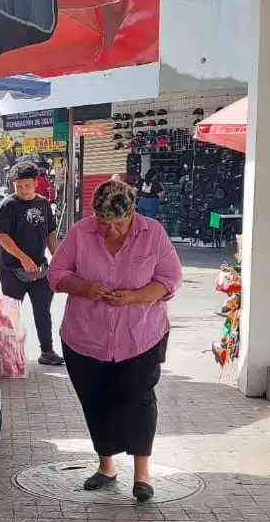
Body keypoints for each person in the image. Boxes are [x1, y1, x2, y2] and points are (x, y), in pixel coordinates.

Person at [47, 179, 183, 502]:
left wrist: (135, 297)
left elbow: (169, 280)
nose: (111, 231)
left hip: (140, 337)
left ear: (133, 213)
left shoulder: (153, 235)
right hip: (85, 338)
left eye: (119, 223)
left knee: (138, 399)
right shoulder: (81, 233)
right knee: (96, 401)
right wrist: (84, 288)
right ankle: (106, 467)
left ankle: (142, 475)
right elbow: (56, 273)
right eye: (105, 223)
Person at [0, 160, 63, 366]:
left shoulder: (43, 203)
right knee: (10, 314)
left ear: (35, 183)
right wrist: (23, 258)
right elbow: (1, 236)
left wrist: (57, 258)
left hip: (39, 268)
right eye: (19, 186)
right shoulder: (8, 206)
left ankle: (47, 352)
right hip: (11, 270)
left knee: (43, 310)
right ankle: (9, 356)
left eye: (27, 185)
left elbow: (50, 233)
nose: (23, 190)